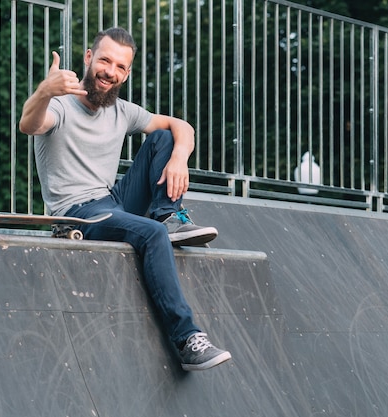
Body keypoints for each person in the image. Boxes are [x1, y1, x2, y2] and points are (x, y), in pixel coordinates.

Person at [19, 27, 231, 371]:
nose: (109, 72)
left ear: (126, 73)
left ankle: (168, 215)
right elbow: (29, 125)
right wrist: (44, 90)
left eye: (119, 67)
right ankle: (186, 340)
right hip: (77, 213)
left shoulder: (122, 110)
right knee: (150, 234)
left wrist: (179, 158)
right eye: (104, 60)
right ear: (89, 58)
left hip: (111, 201)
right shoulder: (59, 105)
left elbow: (183, 126)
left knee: (164, 138)